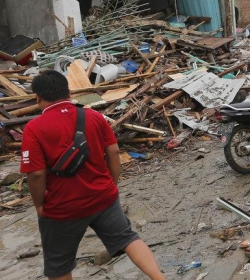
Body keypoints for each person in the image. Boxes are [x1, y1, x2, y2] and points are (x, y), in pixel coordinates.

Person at [20, 70, 165, 280]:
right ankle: (160, 278)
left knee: (59, 265)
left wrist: (39, 205)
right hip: (103, 197)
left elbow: (35, 174)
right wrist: (112, 185)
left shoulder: (34, 128)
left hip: (62, 208)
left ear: (38, 97)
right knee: (128, 238)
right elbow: (114, 151)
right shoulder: (93, 116)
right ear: (68, 92)